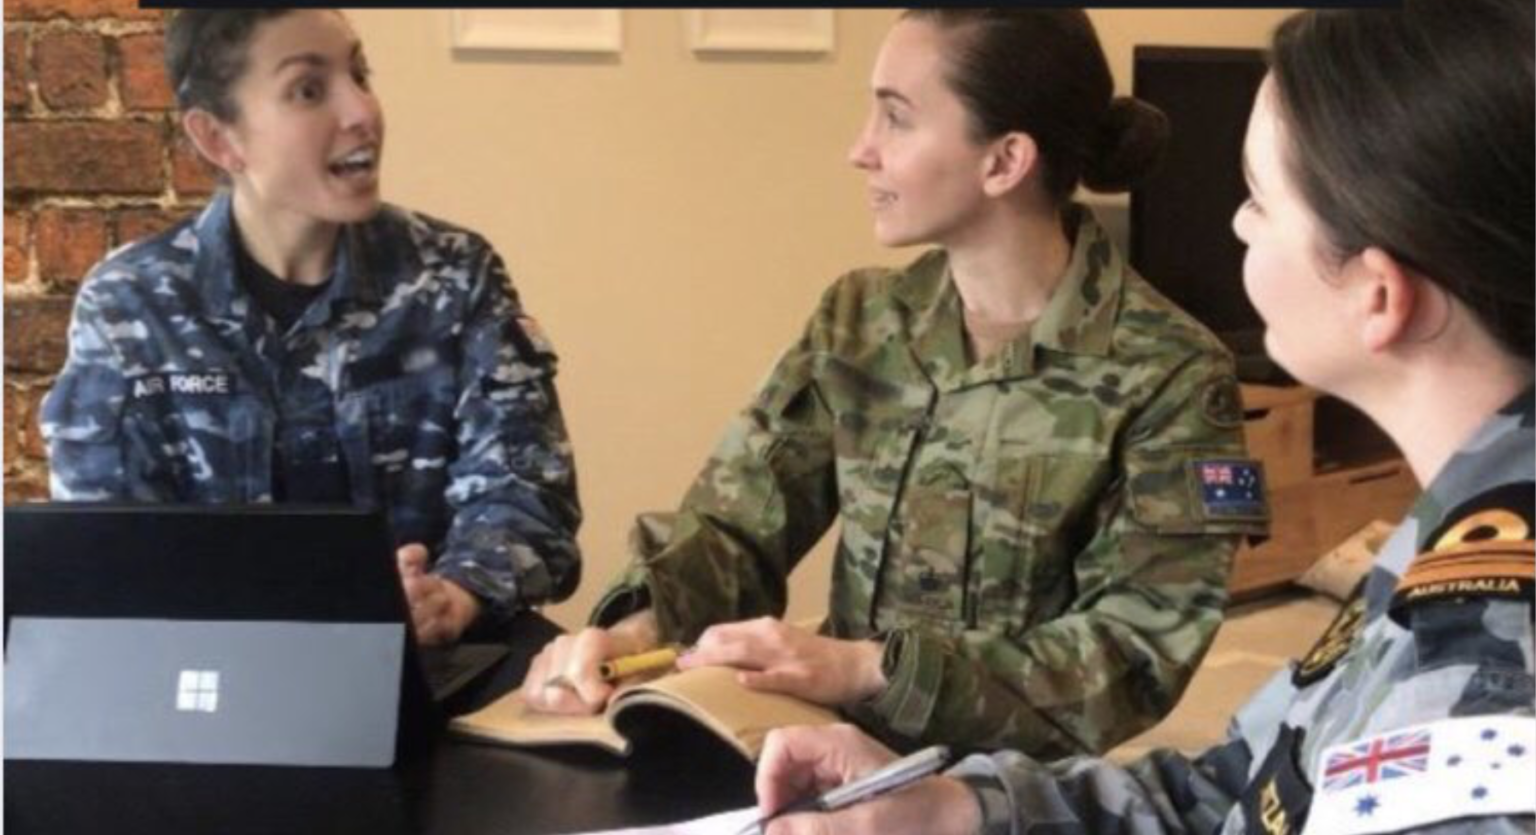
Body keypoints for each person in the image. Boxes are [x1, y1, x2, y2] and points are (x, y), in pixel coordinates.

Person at [750, 1, 1536, 832]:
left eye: (1260, 199)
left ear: (1378, 295)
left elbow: (1136, 653)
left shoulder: (1485, 661)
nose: (1236, 223)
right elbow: (1235, 789)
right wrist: (957, 809)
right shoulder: (1454, 534)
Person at [524, 9, 1266, 757]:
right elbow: (735, 525)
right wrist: (634, 633)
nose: (861, 150)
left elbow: (1131, 652)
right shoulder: (859, 319)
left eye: (896, 118)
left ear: (1004, 161)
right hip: (815, 760)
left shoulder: (1171, 373)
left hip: (1012, 796)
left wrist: (865, 669)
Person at [39, 9, 582, 646]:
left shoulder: (456, 274)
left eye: (360, 75)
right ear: (219, 139)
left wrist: (454, 596)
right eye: (308, 89)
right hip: (209, 672)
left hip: (433, 667)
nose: (361, 111)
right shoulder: (131, 303)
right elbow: (104, 546)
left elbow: (530, 491)